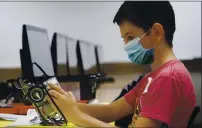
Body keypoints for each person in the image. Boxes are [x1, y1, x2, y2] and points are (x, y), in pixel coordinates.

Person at [48, 1, 197, 127]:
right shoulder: (154, 76)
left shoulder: (167, 79)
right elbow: (112, 111)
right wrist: (68, 106)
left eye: (130, 37)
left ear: (157, 32)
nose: (126, 45)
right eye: (124, 39)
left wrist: (75, 115)